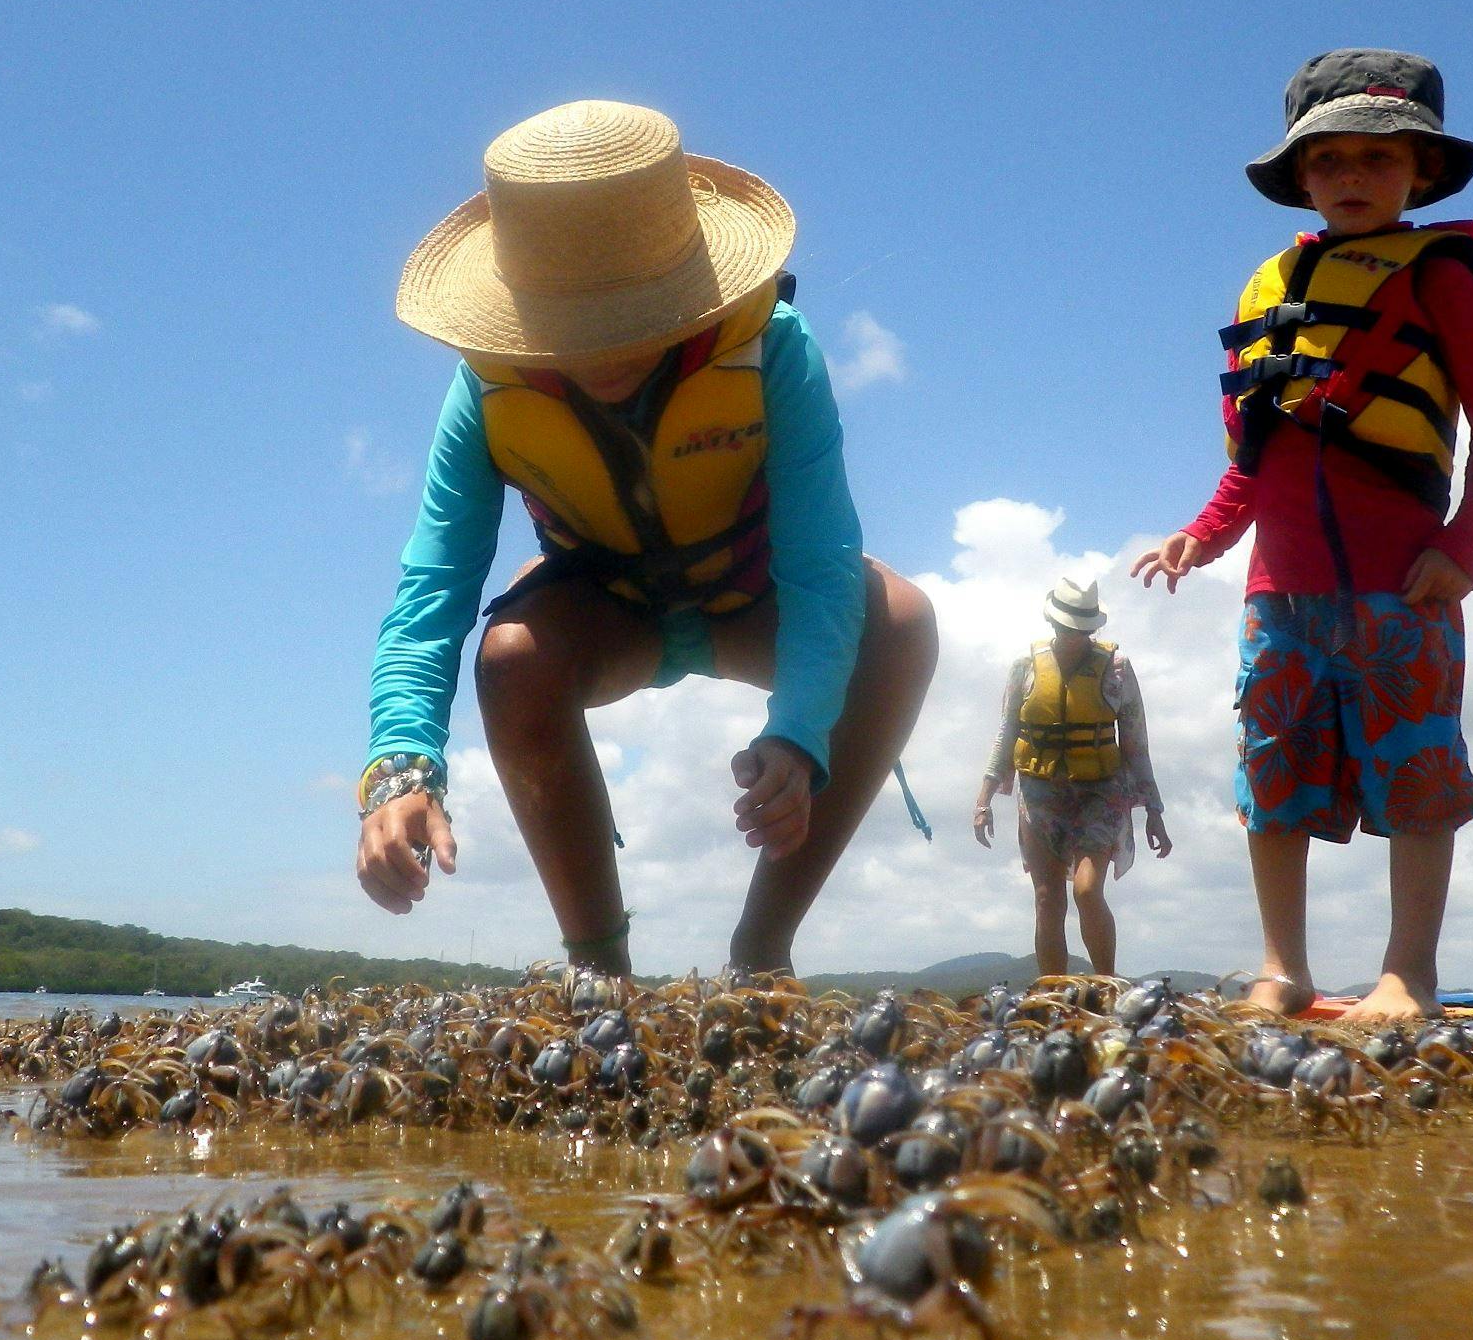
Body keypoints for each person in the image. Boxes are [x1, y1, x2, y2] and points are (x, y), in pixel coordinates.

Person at [355, 101, 938, 977]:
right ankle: (599, 966)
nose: (606, 351)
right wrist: (401, 770)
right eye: (574, 328)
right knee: (512, 655)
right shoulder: (483, 394)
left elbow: (820, 565)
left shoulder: (773, 348)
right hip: (612, 611)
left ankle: (763, 947)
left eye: (637, 316)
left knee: (898, 620)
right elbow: (433, 590)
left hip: (755, 598)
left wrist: (800, 734)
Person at [1132, 50, 1473, 1023]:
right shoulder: (1270, 285)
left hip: (1406, 586)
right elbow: (1250, 457)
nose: (1351, 178)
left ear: (1419, 173)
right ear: (1299, 176)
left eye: (1376, 158)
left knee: (1417, 777)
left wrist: (1466, 547)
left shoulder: (1439, 279)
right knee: (1270, 777)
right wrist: (1201, 535)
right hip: (1280, 594)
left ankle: (1407, 973)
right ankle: (1283, 968)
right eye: (1328, 161)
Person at [973, 578, 1170, 977]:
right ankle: (1053, 994)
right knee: (1047, 897)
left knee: (1086, 889)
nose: (1073, 635)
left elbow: (1135, 742)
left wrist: (1153, 810)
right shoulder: (1025, 666)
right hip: (1039, 790)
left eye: (1081, 628)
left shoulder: (1116, 668)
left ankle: (1106, 983)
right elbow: (1005, 732)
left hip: (1101, 792)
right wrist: (984, 799)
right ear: (1053, 622)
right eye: (1067, 627)